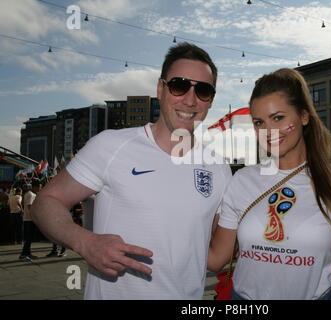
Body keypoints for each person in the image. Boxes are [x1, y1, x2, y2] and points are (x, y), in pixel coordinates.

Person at [31, 42, 232, 299]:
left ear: (211, 100)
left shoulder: (219, 168)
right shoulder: (111, 145)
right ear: (160, 89)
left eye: (203, 90)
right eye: (179, 86)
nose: (190, 100)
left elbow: (215, 258)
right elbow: (45, 202)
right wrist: (84, 241)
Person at [208, 68, 331, 300]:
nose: (268, 131)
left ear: (304, 116)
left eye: (278, 118)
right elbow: (216, 259)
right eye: (259, 122)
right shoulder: (242, 180)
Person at [19, 181, 41, 261]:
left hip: (29, 219)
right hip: (29, 219)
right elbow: (30, 207)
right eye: (39, 186)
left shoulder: (31, 194)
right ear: (35, 187)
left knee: (30, 238)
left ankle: (28, 253)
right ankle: (23, 255)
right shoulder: (30, 194)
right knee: (28, 238)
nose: (40, 188)